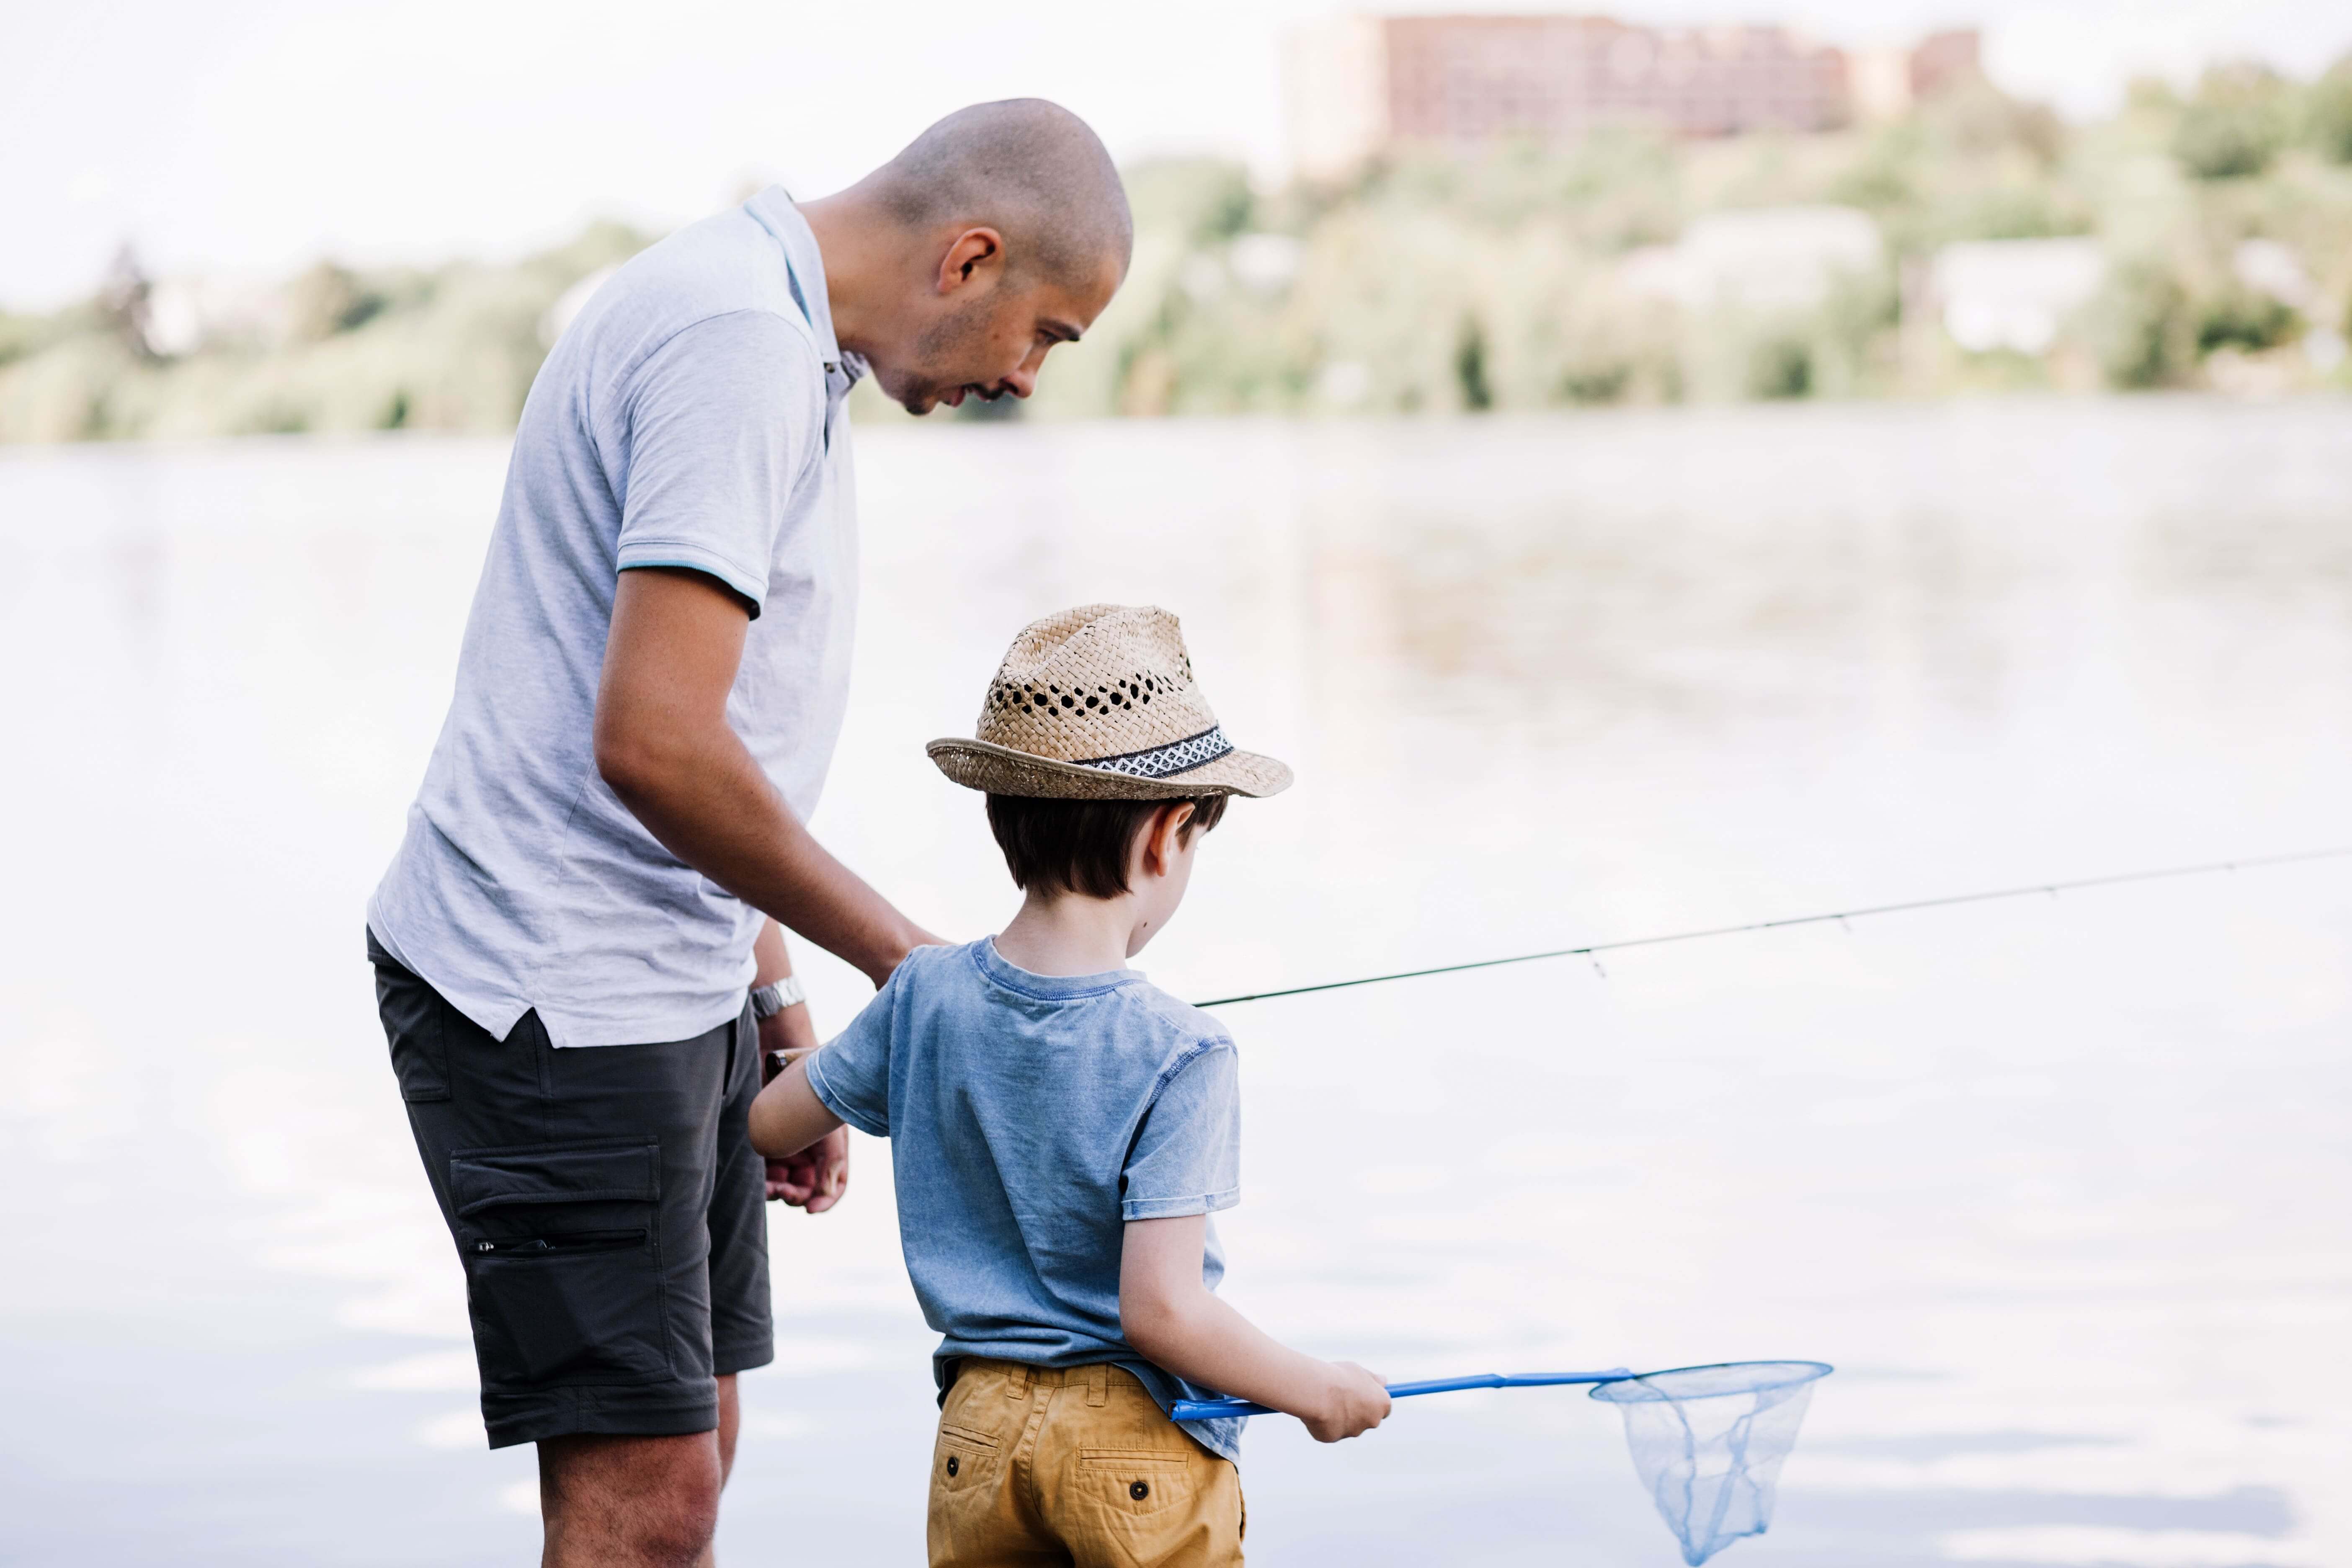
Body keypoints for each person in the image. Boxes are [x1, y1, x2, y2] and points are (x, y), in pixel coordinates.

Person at [364, 101, 1132, 1568]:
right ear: (969, 258)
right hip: (554, 992)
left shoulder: (775, 326)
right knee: (646, 1507)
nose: (1024, 377)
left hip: (666, 974)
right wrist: (916, 967)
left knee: (692, 1457)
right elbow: (653, 744)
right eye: (1044, 334)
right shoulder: (738, 345)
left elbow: (718, 744)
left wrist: (775, 1006)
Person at [748, 604, 1393, 1568]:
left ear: (1005, 818)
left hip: (975, 1437)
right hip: (1132, 1449)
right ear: (1166, 836)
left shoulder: (920, 994)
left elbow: (770, 1124)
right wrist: (1317, 1390)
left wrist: (845, 1060)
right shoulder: (1184, 1050)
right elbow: (1162, 1312)